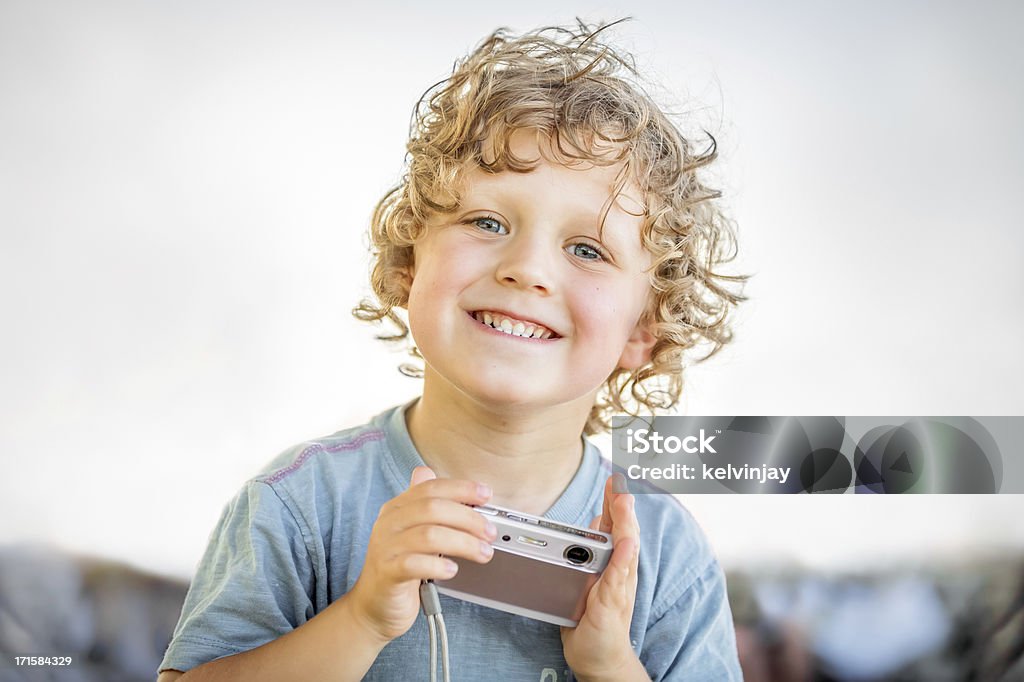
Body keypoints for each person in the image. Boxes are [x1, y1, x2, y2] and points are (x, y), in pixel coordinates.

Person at [157, 19, 746, 682]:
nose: (527, 268)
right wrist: (362, 619)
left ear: (645, 330)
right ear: (410, 263)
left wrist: (610, 663)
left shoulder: (663, 553)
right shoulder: (304, 504)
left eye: (587, 249)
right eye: (487, 222)